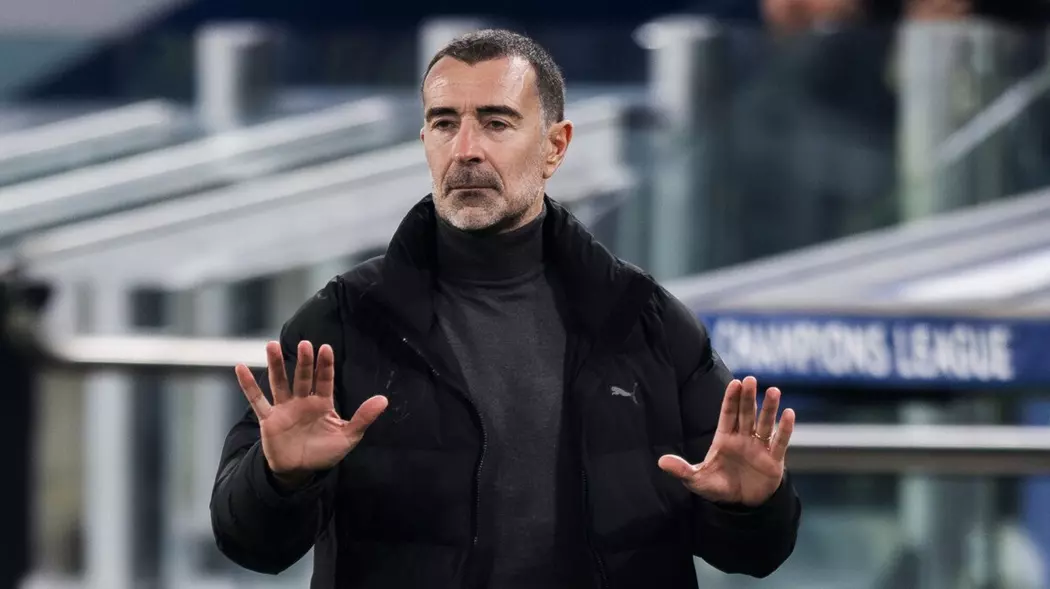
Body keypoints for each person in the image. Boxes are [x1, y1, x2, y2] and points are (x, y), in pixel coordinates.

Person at [210, 28, 801, 589]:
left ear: (554, 147)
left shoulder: (645, 322)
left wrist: (751, 508)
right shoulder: (345, 320)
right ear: (425, 141)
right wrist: (279, 478)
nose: (465, 150)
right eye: (445, 124)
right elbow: (250, 544)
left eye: (496, 123)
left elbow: (755, 554)